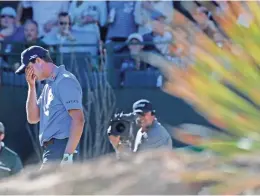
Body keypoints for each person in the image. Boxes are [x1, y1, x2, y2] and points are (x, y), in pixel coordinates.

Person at [15, 45, 85, 169]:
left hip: (61, 149)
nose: (29, 73)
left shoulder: (64, 80)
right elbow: (33, 118)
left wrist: (68, 156)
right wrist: (31, 87)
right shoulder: (48, 85)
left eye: (29, 68)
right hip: (53, 151)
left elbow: (78, 120)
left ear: (38, 61)